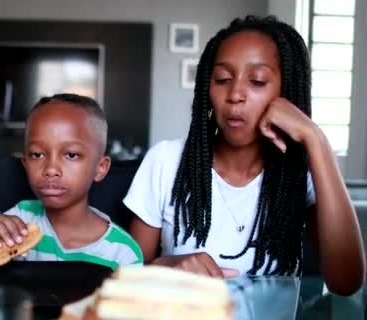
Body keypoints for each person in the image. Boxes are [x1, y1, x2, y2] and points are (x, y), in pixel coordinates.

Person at [124, 16, 365, 294]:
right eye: (222, 79)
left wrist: (316, 139)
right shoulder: (166, 161)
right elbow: (127, 277)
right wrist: (166, 266)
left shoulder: (301, 173)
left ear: (287, 93)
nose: (235, 94)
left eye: (258, 81)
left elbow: (346, 282)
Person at [0, 93, 142, 271]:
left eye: (71, 155)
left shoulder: (123, 253)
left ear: (100, 168)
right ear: (25, 163)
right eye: (37, 155)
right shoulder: (18, 222)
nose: (51, 170)